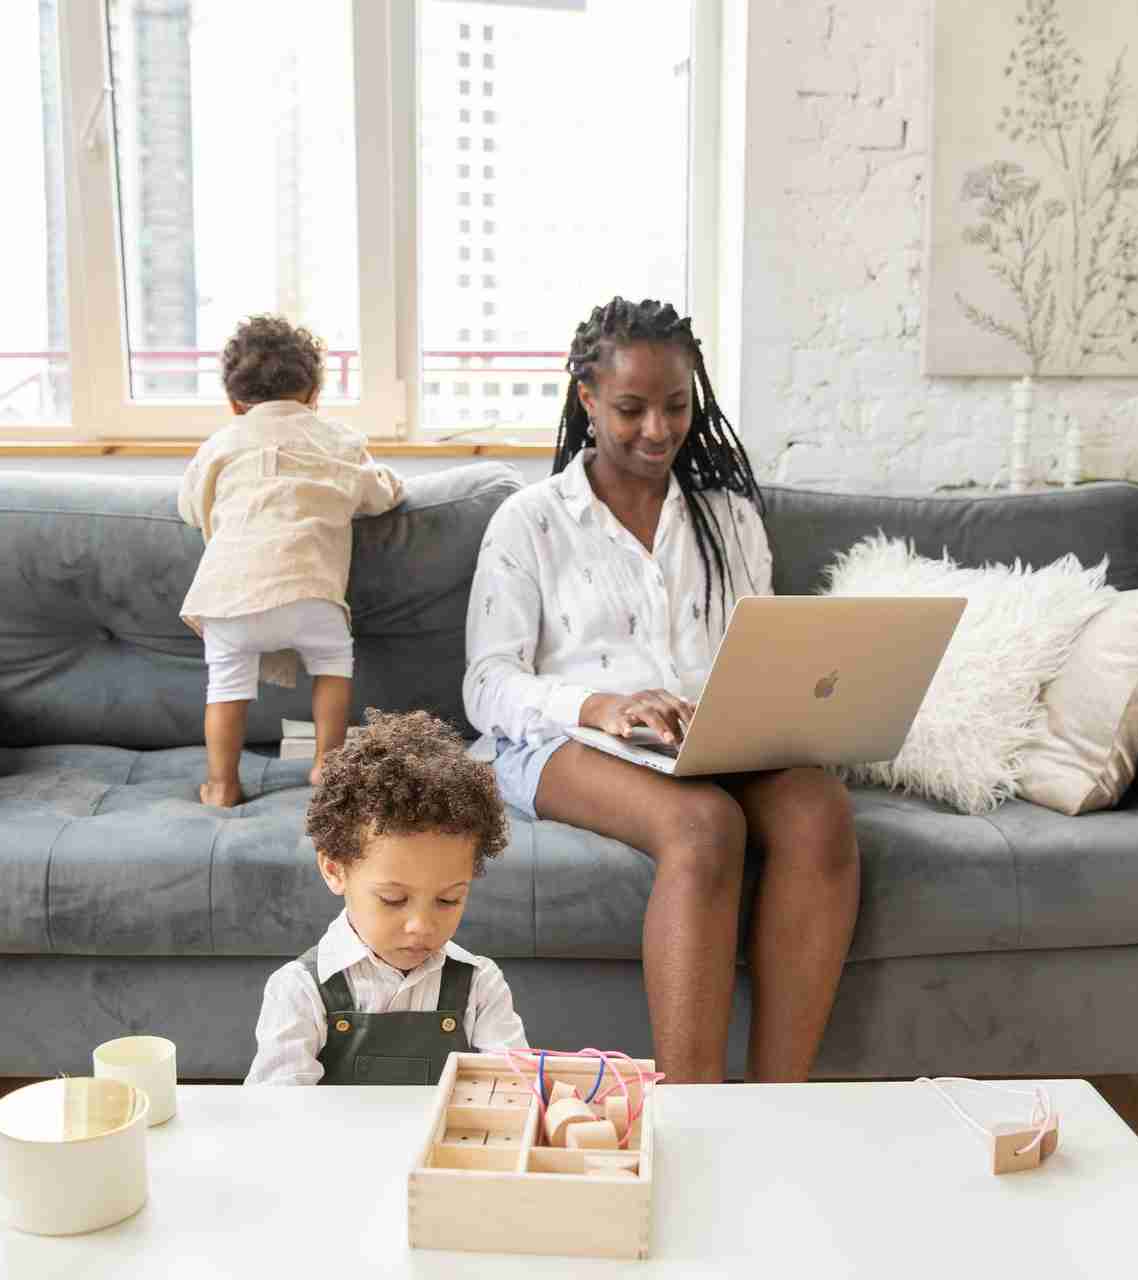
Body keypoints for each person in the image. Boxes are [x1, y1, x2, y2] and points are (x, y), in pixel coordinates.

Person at [463, 296, 861, 1084]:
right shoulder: (530, 521)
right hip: (562, 741)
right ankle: (692, 1109)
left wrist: (773, 707)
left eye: (676, 406)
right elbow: (486, 683)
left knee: (819, 810)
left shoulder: (728, 520)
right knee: (705, 826)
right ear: (587, 400)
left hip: (710, 737)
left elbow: (764, 651)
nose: (657, 430)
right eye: (631, 408)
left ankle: (781, 1102)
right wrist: (599, 706)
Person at [178, 315, 406, 806]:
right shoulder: (339, 441)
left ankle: (221, 784)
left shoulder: (220, 444)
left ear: (235, 402)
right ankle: (327, 762)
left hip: (228, 597)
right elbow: (379, 493)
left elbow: (191, 505)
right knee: (331, 660)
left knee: (225, 683)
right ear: (313, 394)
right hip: (309, 592)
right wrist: (390, 481)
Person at [245, 710, 528, 1085]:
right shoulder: (299, 991)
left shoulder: (480, 986)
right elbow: (275, 1116)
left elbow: (515, 1090)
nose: (422, 926)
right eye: (393, 899)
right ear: (334, 870)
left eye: (448, 900)